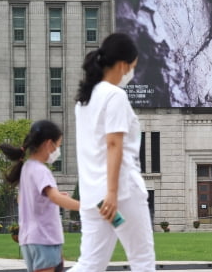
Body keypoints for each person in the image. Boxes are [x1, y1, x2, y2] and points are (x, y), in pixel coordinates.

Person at [69, 33, 155, 272]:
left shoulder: (84, 101)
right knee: (142, 259)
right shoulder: (115, 96)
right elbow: (114, 144)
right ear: (122, 65)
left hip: (93, 196)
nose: (131, 74)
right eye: (132, 67)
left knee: (90, 263)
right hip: (120, 194)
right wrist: (113, 193)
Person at [0, 120, 80, 272]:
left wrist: (50, 198)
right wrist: (84, 205)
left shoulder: (26, 168)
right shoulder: (41, 170)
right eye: (58, 146)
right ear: (49, 144)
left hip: (29, 240)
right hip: (45, 238)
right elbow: (55, 198)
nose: (57, 151)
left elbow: (22, 199)